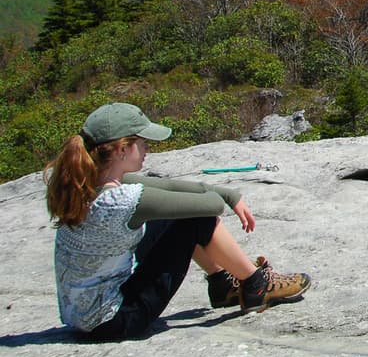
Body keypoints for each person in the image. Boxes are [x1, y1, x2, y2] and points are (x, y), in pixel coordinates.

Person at [44, 102, 311, 340]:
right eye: (142, 141)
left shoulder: (90, 183)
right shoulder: (124, 199)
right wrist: (224, 200)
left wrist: (230, 194)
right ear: (122, 149)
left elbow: (169, 186)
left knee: (170, 221)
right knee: (194, 221)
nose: (148, 147)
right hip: (117, 320)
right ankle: (256, 284)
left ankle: (222, 284)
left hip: (84, 317)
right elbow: (208, 207)